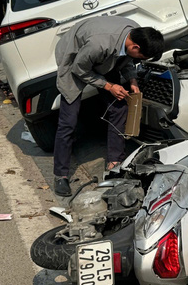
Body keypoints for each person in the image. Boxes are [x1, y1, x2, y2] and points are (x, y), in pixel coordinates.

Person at [52, 16, 164, 196]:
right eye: (141, 57)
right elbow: (79, 70)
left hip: (103, 57)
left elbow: (127, 61)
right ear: (135, 47)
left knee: (120, 107)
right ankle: (60, 175)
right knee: (69, 121)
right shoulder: (99, 44)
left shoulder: (135, 32)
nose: (139, 59)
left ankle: (114, 163)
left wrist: (132, 80)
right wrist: (109, 86)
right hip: (74, 60)